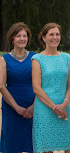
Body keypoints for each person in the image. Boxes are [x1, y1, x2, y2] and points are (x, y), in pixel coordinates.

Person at [32, 23, 70, 153]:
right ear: (43, 38)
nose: (55, 37)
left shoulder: (66, 58)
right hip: (45, 110)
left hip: (64, 108)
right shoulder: (37, 59)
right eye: (51, 34)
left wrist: (64, 104)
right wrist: (54, 107)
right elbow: (37, 88)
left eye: (57, 34)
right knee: (46, 150)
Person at [0, 22, 36, 153]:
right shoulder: (3, 59)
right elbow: (1, 86)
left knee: (32, 145)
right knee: (11, 146)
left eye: (24, 36)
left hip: (32, 108)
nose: (22, 39)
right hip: (11, 108)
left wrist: (33, 107)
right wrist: (16, 107)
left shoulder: (35, 58)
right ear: (12, 39)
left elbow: (40, 85)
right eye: (18, 36)